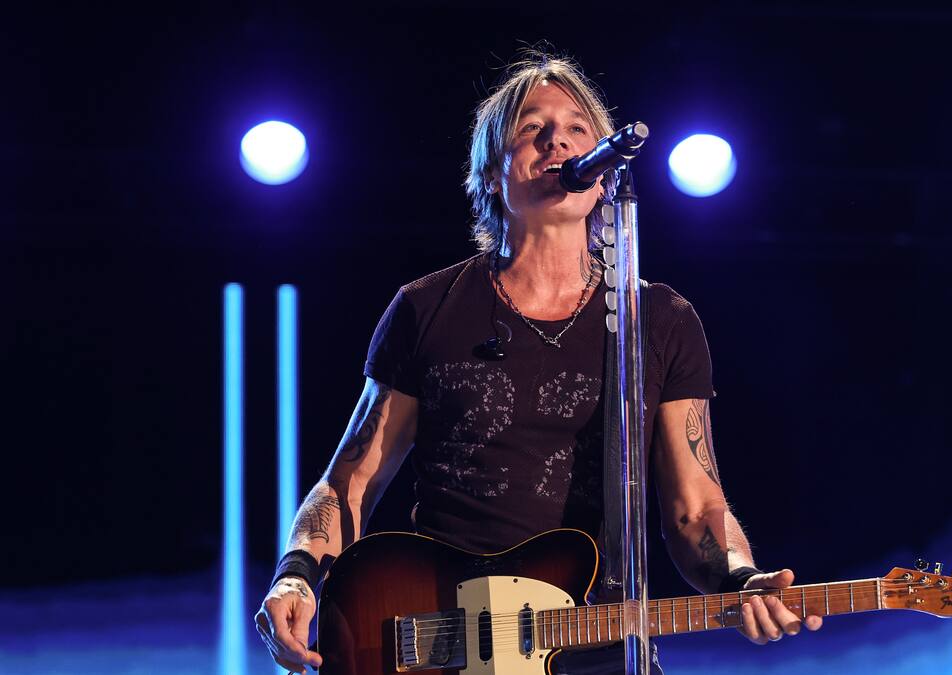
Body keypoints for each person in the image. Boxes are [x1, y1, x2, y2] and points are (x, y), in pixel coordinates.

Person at [254, 52, 822, 674]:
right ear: (492, 173)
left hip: (599, 644)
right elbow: (350, 483)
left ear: (604, 173)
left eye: (578, 128)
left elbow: (695, 509)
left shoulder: (659, 320)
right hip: (448, 634)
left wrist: (741, 578)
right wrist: (296, 575)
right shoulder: (427, 307)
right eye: (533, 128)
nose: (558, 141)